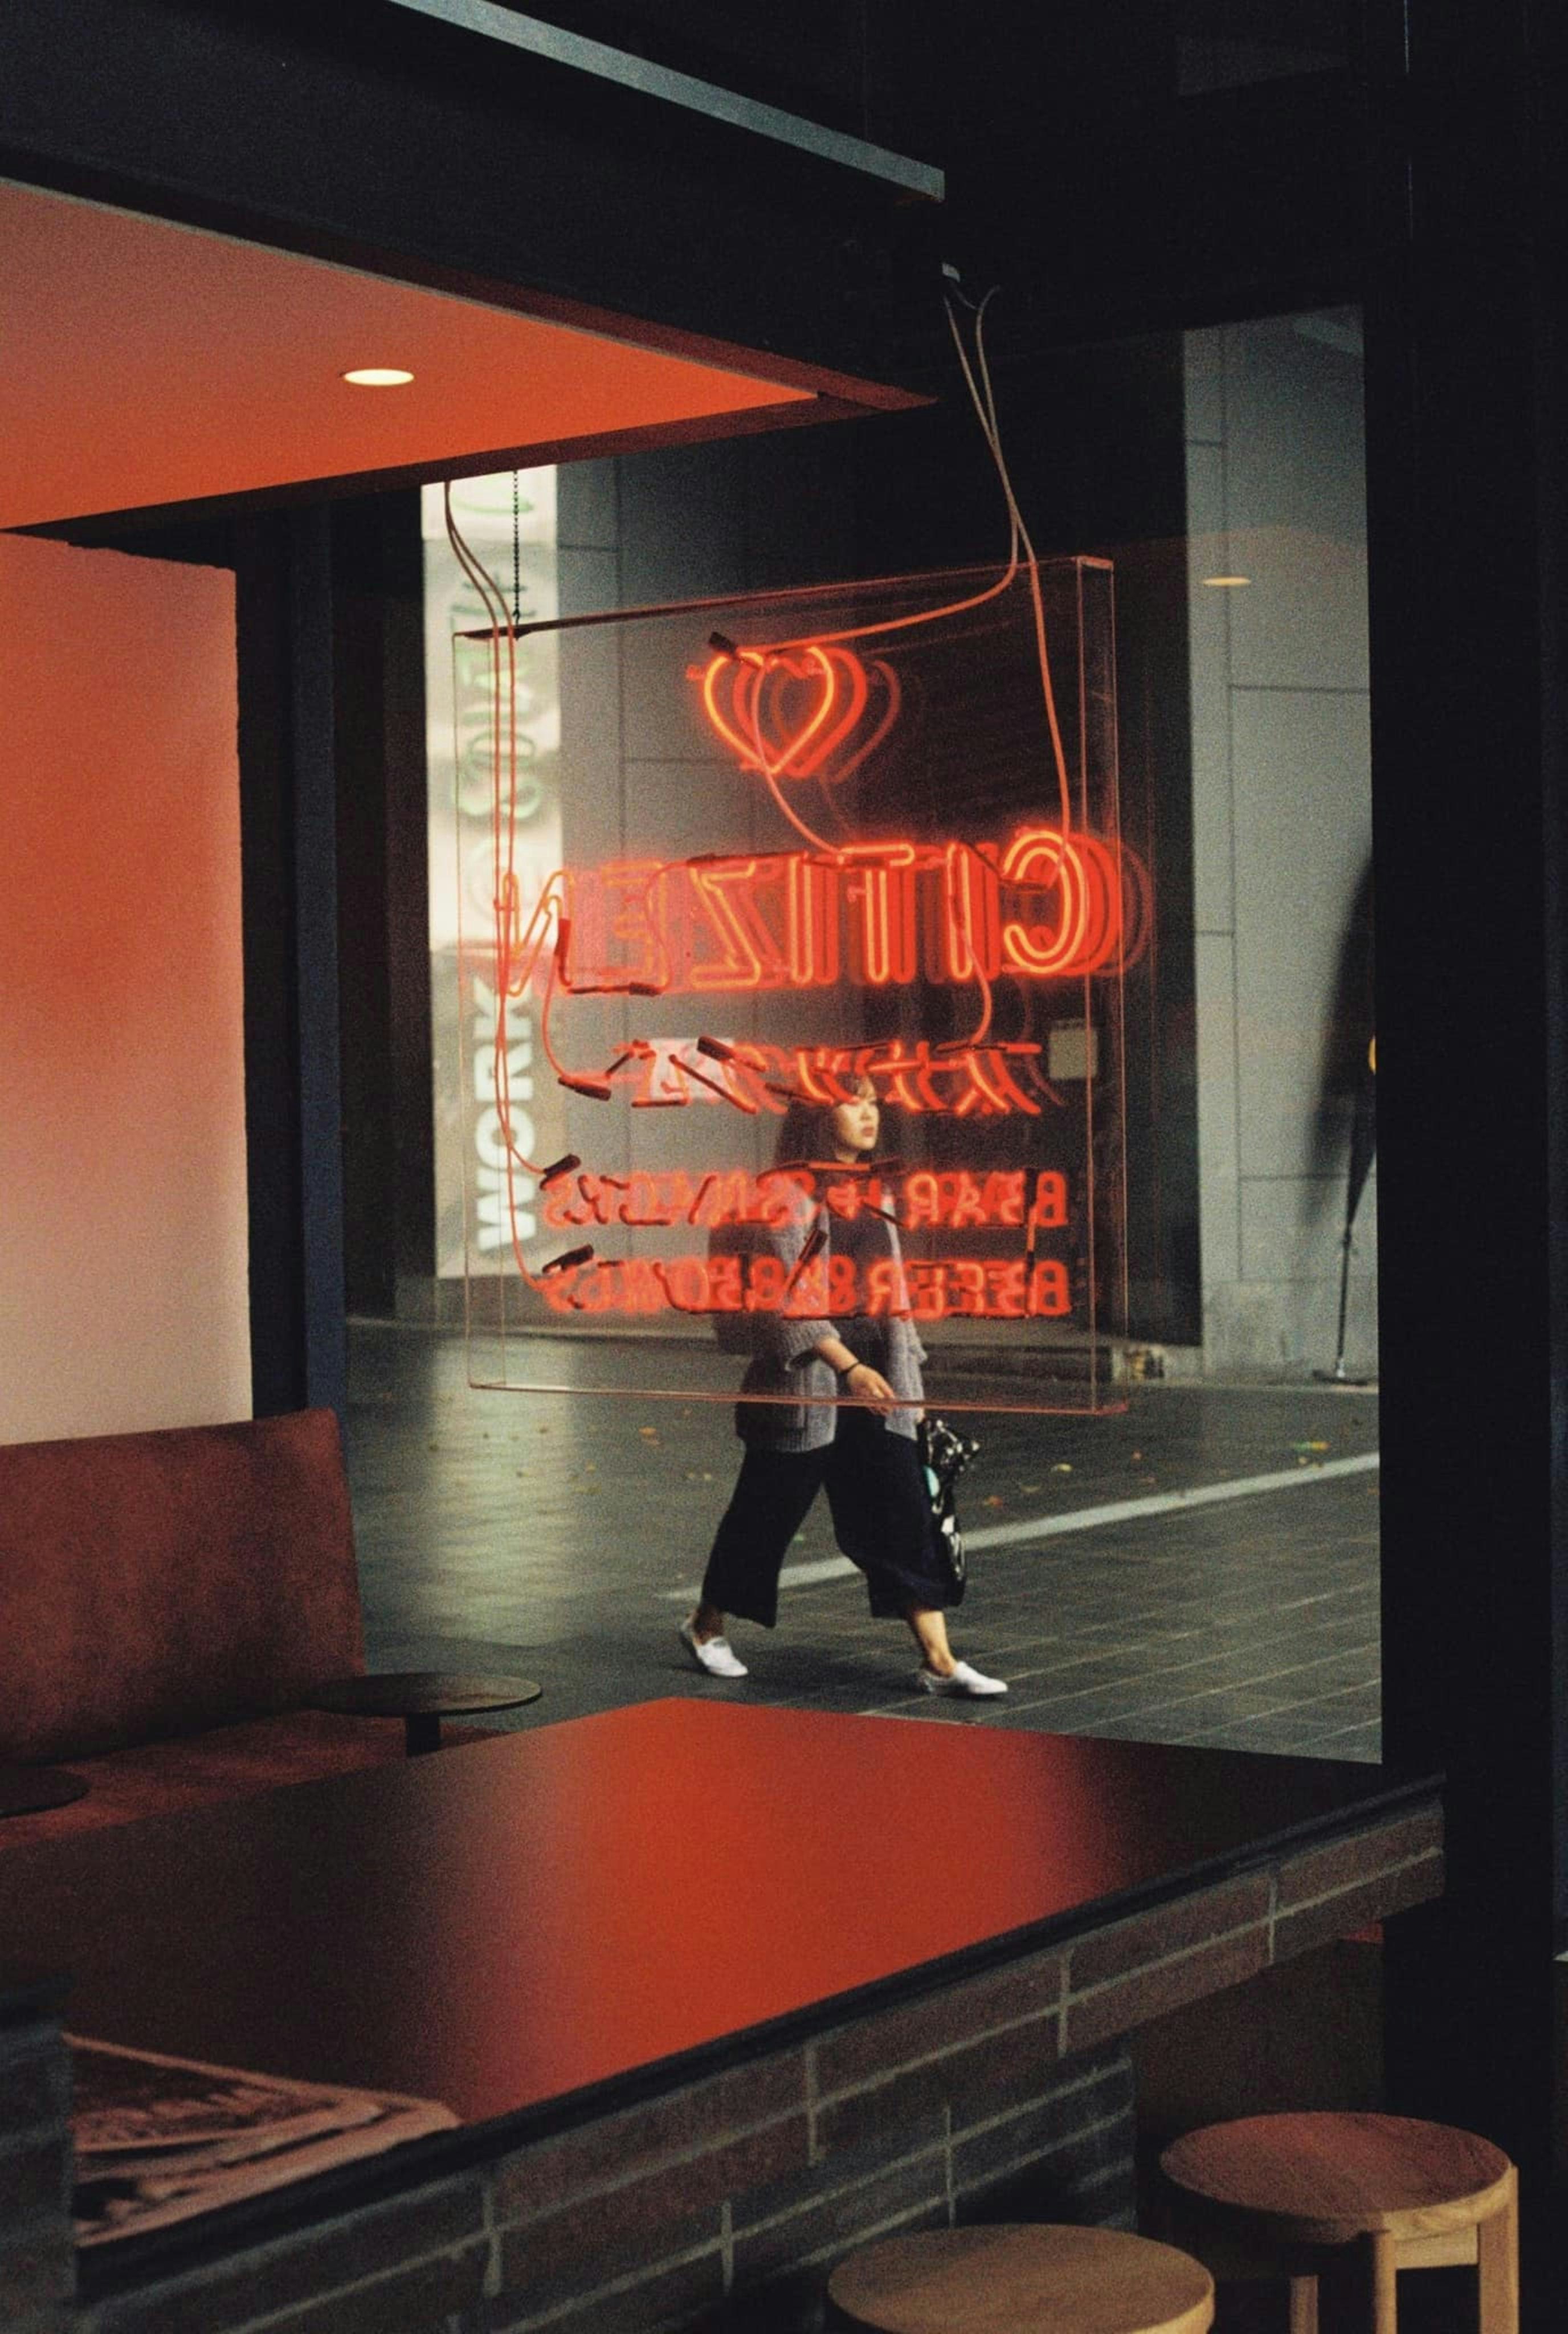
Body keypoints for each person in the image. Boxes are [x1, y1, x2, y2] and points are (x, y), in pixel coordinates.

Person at [680, 1074, 1006, 1698]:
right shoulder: (785, 1193)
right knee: (764, 1518)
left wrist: (907, 1377)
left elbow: (895, 1298)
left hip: (875, 1385)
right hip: (807, 1388)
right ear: (814, 1110)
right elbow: (788, 1300)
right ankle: (704, 1624)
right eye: (852, 1099)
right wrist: (849, 1368)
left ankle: (938, 1661)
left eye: (873, 1099)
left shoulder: (871, 1192)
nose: (868, 1111)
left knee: (903, 1514)